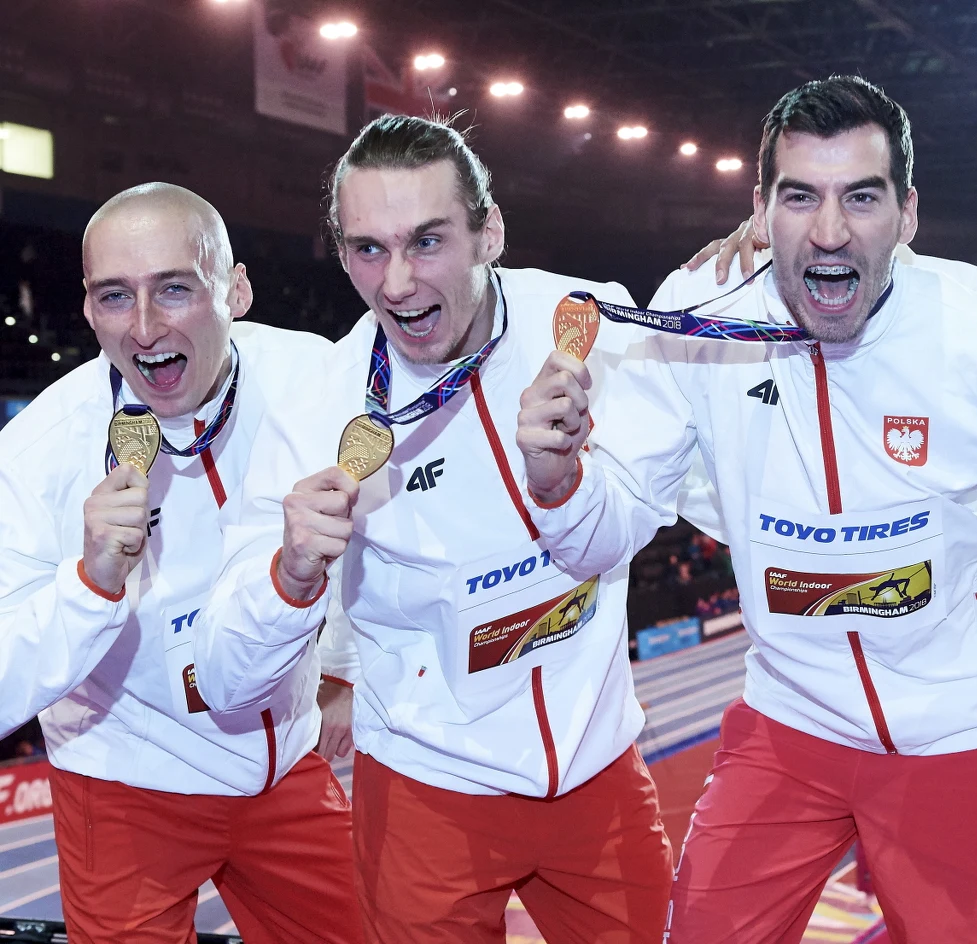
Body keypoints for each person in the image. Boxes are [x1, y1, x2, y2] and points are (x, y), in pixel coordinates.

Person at [516, 76, 977, 943]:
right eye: (800, 197)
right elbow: (603, 534)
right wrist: (554, 481)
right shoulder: (698, 314)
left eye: (861, 198)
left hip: (956, 737)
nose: (831, 232)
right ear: (760, 209)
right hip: (789, 724)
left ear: (908, 214)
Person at [196, 114, 673, 944]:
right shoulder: (318, 406)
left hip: (597, 773)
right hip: (427, 790)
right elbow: (227, 680)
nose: (398, 283)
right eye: (367, 249)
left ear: (489, 232)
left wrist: (562, 483)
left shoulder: (588, 328)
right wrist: (291, 575)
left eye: (427, 240)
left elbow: (622, 533)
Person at [0, 183, 363, 943]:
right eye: (113, 296)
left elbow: (376, 521)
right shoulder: (35, 452)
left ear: (236, 289)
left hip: (283, 772)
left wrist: (340, 667)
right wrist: (91, 583)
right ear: (89, 307)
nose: (144, 327)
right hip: (125, 785)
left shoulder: (313, 377)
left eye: (174, 289)